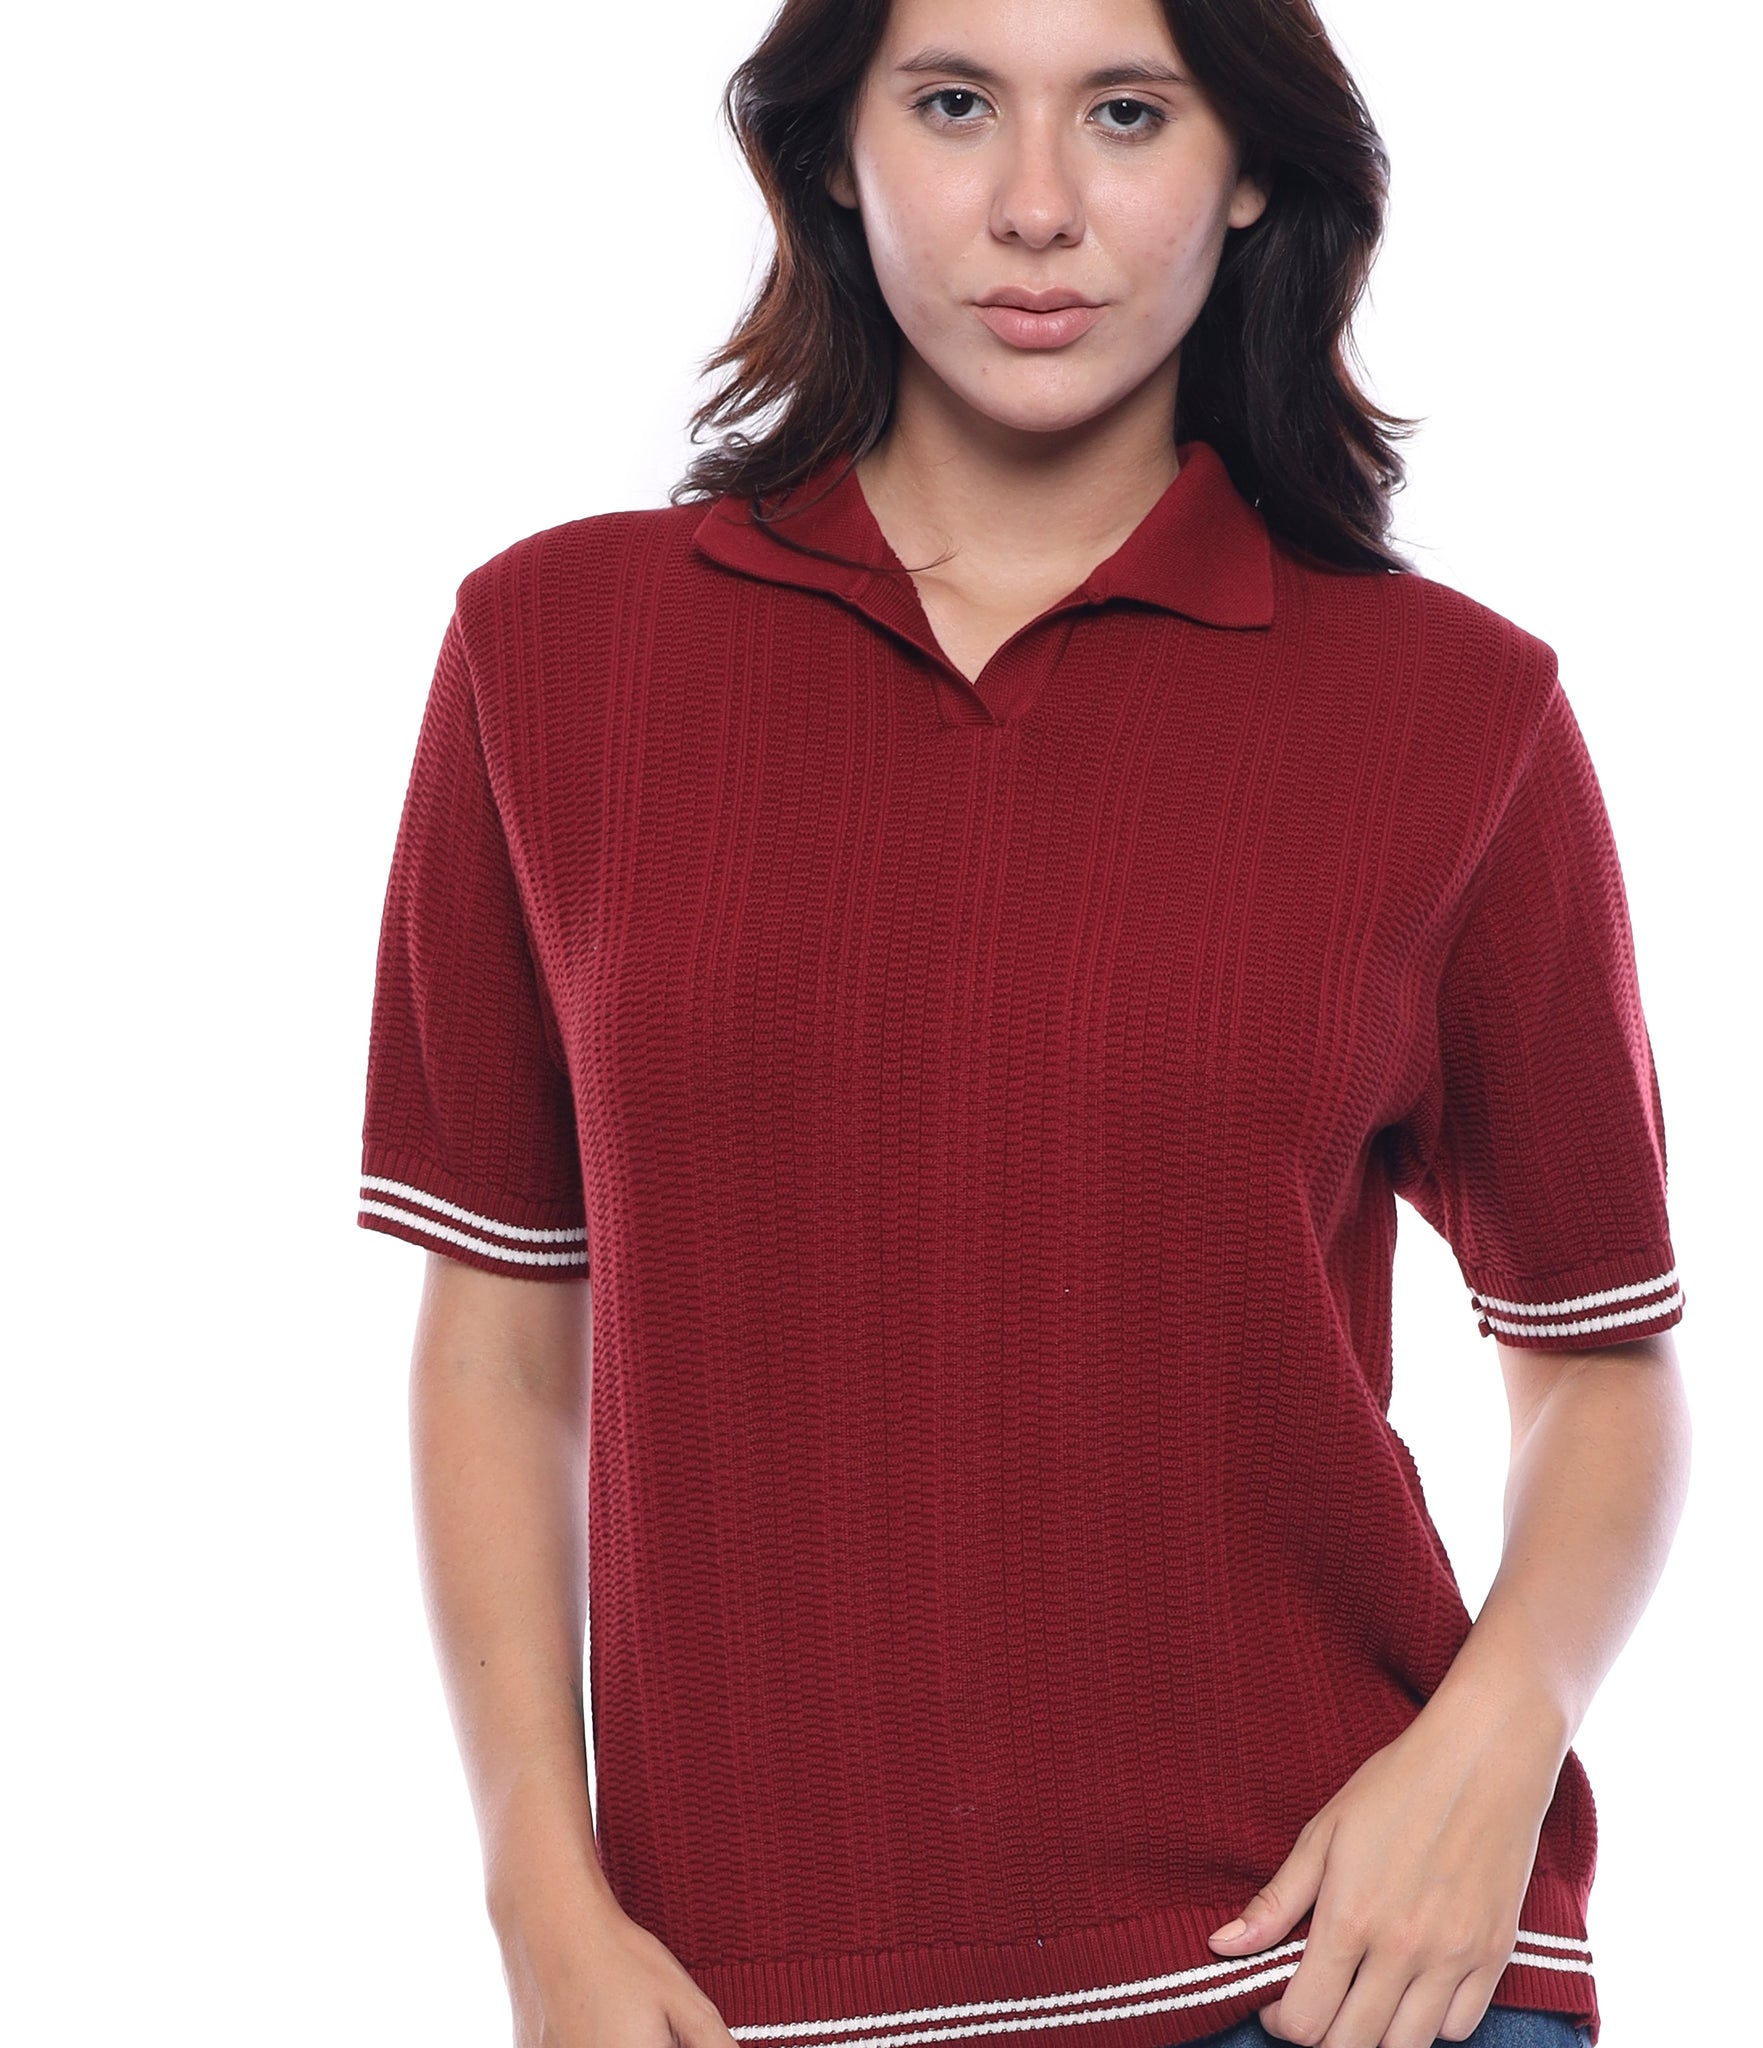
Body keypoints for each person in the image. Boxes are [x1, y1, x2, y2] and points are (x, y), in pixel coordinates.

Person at [354, 3, 1691, 2047]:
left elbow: (1601, 1359)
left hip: (1334, 1972)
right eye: (957, 103)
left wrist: (1492, 1751)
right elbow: (498, 1338)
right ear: (832, 148)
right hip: (735, 1991)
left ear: (1250, 170)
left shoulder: (1453, 713)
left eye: (1129, 113)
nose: (1038, 205)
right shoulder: (554, 657)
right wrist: (538, 1884)